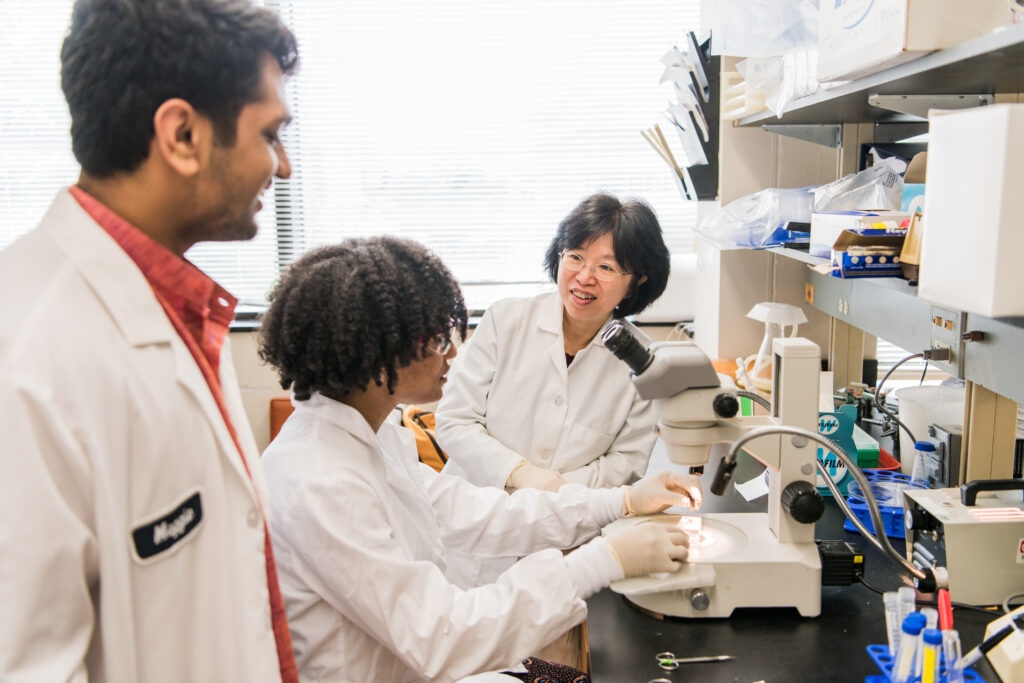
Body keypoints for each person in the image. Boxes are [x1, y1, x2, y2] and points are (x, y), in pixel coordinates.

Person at [0, 1, 300, 680]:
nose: (281, 167)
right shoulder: (26, 352)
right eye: (270, 134)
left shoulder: (181, 311)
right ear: (183, 134)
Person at [257, 236, 702, 683]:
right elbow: (443, 636)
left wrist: (620, 502)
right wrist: (605, 559)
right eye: (435, 339)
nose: (452, 351)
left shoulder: (369, 440)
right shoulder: (322, 479)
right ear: (373, 350)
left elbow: (476, 510)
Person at [435, 193, 671, 492]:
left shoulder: (642, 361)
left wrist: (554, 492)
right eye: (575, 257)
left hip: (569, 517)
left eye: (606, 267)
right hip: (473, 507)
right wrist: (519, 473)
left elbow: (626, 462)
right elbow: (455, 422)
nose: (585, 277)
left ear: (636, 283)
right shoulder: (504, 321)